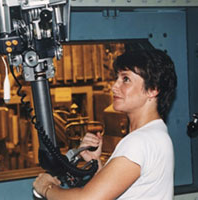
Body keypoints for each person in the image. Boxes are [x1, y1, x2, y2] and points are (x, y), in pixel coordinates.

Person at [33, 49, 177, 200]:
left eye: (126, 79)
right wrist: (96, 163)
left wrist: (47, 188)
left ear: (153, 90)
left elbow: (87, 199)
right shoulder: (157, 134)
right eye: (117, 78)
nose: (114, 86)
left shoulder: (139, 142)